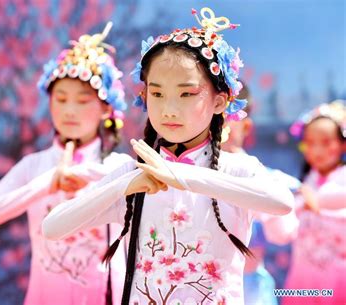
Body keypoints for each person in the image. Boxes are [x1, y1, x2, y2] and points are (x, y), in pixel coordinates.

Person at [43, 8, 294, 305]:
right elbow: (52, 227)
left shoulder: (236, 168)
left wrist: (183, 176)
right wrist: (123, 186)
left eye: (186, 94)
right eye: (157, 94)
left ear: (219, 101)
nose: (168, 109)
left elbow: (282, 203)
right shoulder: (135, 172)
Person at [0, 23, 130, 305]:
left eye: (83, 101)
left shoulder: (119, 165)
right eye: (60, 99)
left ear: (106, 109)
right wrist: (48, 184)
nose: (69, 110)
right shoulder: (34, 165)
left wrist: (87, 174)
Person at [221, 84, 299, 305]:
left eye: (227, 116)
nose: (219, 125)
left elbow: (283, 233)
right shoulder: (187, 170)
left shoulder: (265, 175)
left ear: (245, 126)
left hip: (249, 290)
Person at [283, 100, 345, 305]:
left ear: (343, 143)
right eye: (310, 142)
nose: (317, 150)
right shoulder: (304, 183)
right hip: (304, 277)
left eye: (326, 142)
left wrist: (312, 201)